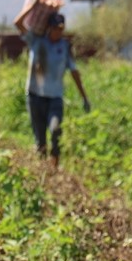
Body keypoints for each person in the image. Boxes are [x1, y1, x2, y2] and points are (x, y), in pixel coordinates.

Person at [16, 11, 91, 164]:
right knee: (40, 141)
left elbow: (74, 72)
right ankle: (43, 171)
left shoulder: (65, 47)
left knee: (56, 130)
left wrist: (84, 97)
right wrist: (32, 5)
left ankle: (54, 166)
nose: (58, 31)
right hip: (35, 96)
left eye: (61, 29)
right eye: (56, 28)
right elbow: (18, 23)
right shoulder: (36, 41)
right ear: (49, 27)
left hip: (55, 98)